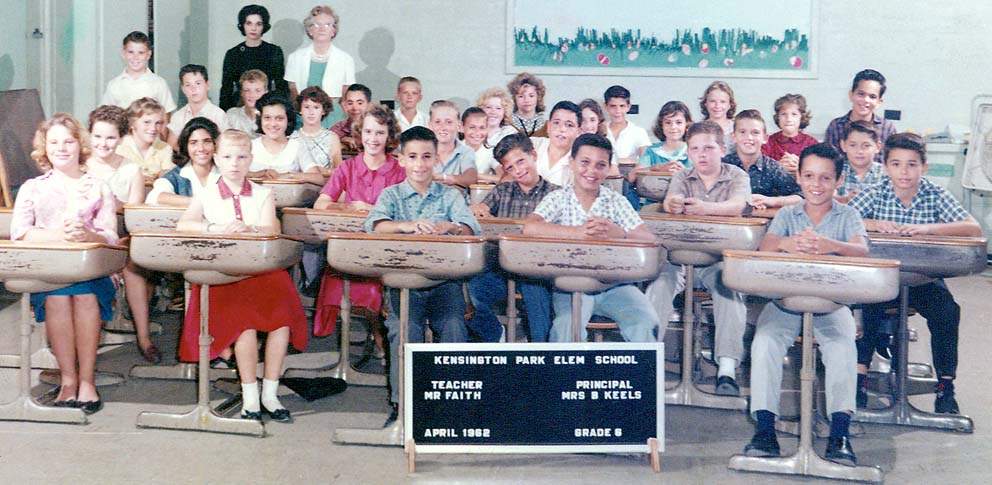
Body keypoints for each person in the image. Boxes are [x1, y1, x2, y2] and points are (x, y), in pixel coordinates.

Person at [744, 143, 868, 466]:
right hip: (785, 302)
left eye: (826, 178)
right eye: (809, 176)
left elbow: (861, 250)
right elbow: (766, 247)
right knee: (765, 343)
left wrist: (831, 245)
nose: (816, 184)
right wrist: (789, 242)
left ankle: (840, 432)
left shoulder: (848, 215)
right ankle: (765, 429)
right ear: (798, 178)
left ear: (838, 180)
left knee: (843, 347)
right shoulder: (787, 214)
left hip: (832, 304)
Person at [176, 129, 308, 422]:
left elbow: (271, 229)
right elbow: (185, 224)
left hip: (260, 271)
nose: (234, 163)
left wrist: (249, 229)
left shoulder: (262, 192)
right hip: (224, 274)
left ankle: (270, 394)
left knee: (281, 321)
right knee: (244, 326)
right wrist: (214, 228)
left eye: (241, 157)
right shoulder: (207, 193)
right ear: (217, 159)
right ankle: (250, 397)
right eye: (227, 157)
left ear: (251, 159)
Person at [849, 132, 982, 415]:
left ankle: (946, 386)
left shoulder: (935, 194)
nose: (904, 172)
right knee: (866, 310)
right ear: (886, 167)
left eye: (912, 164)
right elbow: (843, 219)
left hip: (924, 277)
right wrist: (873, 223)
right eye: (896, 164)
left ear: (924, 167)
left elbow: (972, 228)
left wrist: (930, 229)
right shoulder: (875, 192)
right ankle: (859, 379)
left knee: (948, 312)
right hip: (881, 279)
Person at [365, 126, 481, 424]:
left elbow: (471, 229)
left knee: (454, 326)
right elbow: (375, 225)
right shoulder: (391, 195)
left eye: (427, 156)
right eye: (413, 156)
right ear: (401, 159)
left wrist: (449, 227)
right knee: (405, 330)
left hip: (444, 281)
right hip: (403, 283)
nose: (420, 164)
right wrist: (409, 225)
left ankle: (451, 405)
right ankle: (402, 405)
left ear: (436, 159)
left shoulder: (451, 196)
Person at [11, 113, 119, 413]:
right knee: (58, 300)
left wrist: (88, 233)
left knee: (84, 296)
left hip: (91, 270)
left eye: (68, 141)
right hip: (50, 270)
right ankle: (68, 380)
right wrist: (56, 234)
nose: (61, 148)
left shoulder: (99, 187)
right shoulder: (33, 187)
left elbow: (111, 236)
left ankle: (87, 381)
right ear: (44, 148)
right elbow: (19, 232)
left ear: (80, 145)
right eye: (54, 142)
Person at [645, 121, 751, 395]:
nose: (702, 154)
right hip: (679, 257)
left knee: (730, 291)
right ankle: (646, 363)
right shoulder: (682, 176)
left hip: (717, 259)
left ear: (723, 149)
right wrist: (672, 204)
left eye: (709, 148)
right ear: (688, 153)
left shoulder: (737, 175)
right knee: (659, 285)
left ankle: (726, 369)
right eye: (695, 149)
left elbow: (737, 205)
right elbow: (671, 200)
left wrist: (706, 208)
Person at [524, 133, 661, 343]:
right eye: (585, 162)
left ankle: (641, 375)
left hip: (614, 285)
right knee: (567, 326)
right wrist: (578, 233)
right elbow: (530, 227)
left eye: (600, 165)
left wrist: (621, 233)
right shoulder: (558, 198)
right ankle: (564, 376)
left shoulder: (616, 201)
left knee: (646, 320)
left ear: (608, 169)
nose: (591, 171)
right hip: (570, 285)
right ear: (571, 163)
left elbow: (649, 239)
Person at [311, 104, 405, 355]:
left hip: (385, 250)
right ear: (360, 133)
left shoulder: (399, 171)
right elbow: (321, 204)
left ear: (389, 136)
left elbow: (404, 215)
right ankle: (371, 336)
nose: (373, 139)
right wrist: (349, 207)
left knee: (374, 287)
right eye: (368, 132)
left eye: (380, 133)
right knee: (337, 278)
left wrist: (372, 209)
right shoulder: (347, 168)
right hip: (350, 247)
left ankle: (380, 333)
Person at [86, 105, 161, 363]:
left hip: (121, 236)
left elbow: (134, 216)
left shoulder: (131, 170)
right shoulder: (82, 166)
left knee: (133, 267)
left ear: (120, 139)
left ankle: (143, 337)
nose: (103, 143)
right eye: (97, 137)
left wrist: (114, 205)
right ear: (89, 136)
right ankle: (86, 343)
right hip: (89, 238)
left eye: (110, 138)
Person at [468, 134, 558, 342]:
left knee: (537, 304)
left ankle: (539, 352)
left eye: (521, 161)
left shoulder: (555, 193)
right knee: (470, 291)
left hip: (536, 269)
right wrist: (479, 210)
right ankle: (494, 334)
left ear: (533, 156)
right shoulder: (503, 190)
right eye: (510, 168)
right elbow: (482, 210)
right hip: (500, 267)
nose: (517, 170)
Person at [284, 5, 355, 128]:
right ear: (310, 30)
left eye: (327, 24)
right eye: (317, 24)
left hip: (334, 116)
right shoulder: (295, 58)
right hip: (304, 117)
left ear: (333, 30)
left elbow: (346, 94)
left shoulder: (345, 59)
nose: (322, 28)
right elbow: (293, 91)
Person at [722, 110, 802, 210]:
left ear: (765, 138)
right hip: (726, 221)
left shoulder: (772, 168)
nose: (749, 137)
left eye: (755, 132)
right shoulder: (723, 166)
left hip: (762, 222)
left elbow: (802, 196)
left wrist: (771, 201)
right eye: (742, 132)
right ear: (733, 137)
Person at [219, 4, 288, 111]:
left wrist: (282, 110)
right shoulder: (233, 54)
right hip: (239, 106)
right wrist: (225, 114)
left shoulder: (274, 51)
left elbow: (281, 86)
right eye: (249, 23)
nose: (253, 28)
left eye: (258, 24)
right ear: (242, 25)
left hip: (267, 106)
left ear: (264, 26)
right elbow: (226, 89)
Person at [248, 93, 324, 185]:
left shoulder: (296, 146)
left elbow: (319, 179)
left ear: (288, 120)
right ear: (260, 120)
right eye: (267, 118)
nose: (273, 124)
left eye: (279, 118)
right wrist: (257, 174)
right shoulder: (250, 146)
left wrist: (289, 175)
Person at [824, 69, 897, 163]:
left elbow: (893, 161)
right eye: (861, 94)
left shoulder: (887, 128)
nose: (866, 100)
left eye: (872, 97)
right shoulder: (836, 126)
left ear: (879, 102)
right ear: (851, 95)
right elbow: (828, 162)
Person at [146, 117, 221, 206]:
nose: (201, 148)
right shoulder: (176, 175)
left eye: (207, 141)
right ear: (186, 146)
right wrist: (198, 202)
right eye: (194, 143)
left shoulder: (225, 172)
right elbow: (154, 197)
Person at [101, 31, 176, 113]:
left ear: (148, 55)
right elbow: (105, 115)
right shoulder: (114, 85)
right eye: (131, 52)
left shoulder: (159, 83)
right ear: (123, 53)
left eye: (141, 53)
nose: (135, 57)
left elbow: (167, 113)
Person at [167, 64, 228, 149]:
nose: (193, 89)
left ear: (207, 85)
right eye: (188, 85)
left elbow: (224, 147)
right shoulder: (178, 116)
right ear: (183, 89)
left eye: (198, 83)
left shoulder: (218, 115)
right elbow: (171, 147)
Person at [116, 97, 173, 181]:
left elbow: (168, 177)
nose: (153, 128)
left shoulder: (165, 148)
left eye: (158, 123)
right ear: (132, 123)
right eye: (147, 122)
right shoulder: (119, 147)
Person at [292, 85, 343, 176]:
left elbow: (339, 171)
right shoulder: (292, 138)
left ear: (323, 111)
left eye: (316, 107)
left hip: (326, 186)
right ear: (300, 110)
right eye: (306, 107)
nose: (311, 112)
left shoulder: (332, 138)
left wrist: (320, 171)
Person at [429, 100, 477, 191]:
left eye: (449, 122)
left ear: (459, 126)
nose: (443, 127)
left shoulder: (466, 152)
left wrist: (444, 177)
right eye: (437, 122)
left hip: (457, 203)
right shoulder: (423, 152)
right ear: (430, 125)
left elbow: (471, 178)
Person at [762, 94, 817, 172]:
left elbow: (819, 168)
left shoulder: (811, 143)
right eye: (783, 114)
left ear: (802, 117)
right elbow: (761, 168)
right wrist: (778, 166)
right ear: (777, 117)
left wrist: (801, 166)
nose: (788, 119)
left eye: (794, 114)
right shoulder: (768, 142)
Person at [532, 101, 582, 187]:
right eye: (556, 123)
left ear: (579, 132)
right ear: (548, 126)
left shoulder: (580, 162)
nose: (562, 129)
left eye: (569, 125)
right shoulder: (532, 144)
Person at [835, 121, 886, 203]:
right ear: (843, 145)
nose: (859, 151)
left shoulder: (886, 174)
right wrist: (845, 199)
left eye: (866, 146)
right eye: (853, 145)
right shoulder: (836, 171)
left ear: (877, 146)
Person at [476, 87, 519, 182]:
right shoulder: (473, 133)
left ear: (505, 112)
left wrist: (477, 176)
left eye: (498, 108)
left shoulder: (510, 134)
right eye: (488, 107)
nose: (493, 112)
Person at [604, 85, 650, 165]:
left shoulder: (638, 132)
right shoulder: (600, 130)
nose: (618, 111)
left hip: (630, 175)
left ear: (628, 107)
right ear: (606, 107)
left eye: (622, 106)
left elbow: (646, 161)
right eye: (613, 106)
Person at [225, 69, 268, 139]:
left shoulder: (270, 118)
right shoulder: (232, 115)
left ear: (266, 92)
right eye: (247, 90)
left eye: (258, 91)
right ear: (241, 93)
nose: (252, 95)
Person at [462, 107, 500, 183]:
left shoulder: (491, 153)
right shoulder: (453, 149)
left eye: (482, 128)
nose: (477, 132)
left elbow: (505, 177)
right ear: (462, 128)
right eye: (472, 127)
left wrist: (476, 176)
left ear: (487, 129)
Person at [330, 84, 372, 153]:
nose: (355, 108)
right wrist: (342, 139)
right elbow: (325, 141)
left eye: (360, 103)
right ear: (345, 105)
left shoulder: (379, 127)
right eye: (350, 103)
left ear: (369, 105)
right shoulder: (340, 127)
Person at [699, 81, 737, 151]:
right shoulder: (697, 129)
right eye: (712, 101)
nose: (717, 106)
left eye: (722, 102)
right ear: (705, 103)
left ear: (730, 105)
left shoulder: (736, 129)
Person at [507, 73, 547, 137]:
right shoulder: (507, 124)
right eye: (521, 96)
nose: (526, 100)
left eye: (531, 96)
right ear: (514, 98)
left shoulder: (547, 126)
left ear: (538, 97)